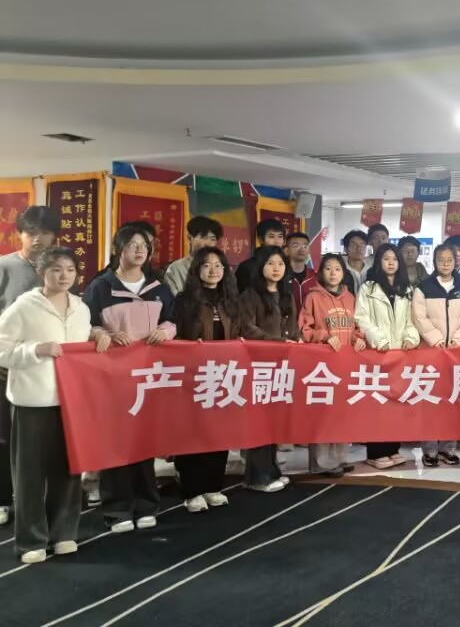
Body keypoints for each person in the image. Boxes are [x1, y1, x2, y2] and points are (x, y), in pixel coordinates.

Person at [0, 248, 109, 563]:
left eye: (70, 269)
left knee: (69, 469)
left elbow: (84, 338)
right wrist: (36, 350)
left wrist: (98, 333)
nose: (64, 276)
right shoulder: (24, 307)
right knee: (30, 474)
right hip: (32, 401)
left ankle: (63, 533)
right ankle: (31, 540)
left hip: (72, 401)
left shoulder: (80, 307)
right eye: (56, 269)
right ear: (41, 272)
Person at [84, 224, 176, 531]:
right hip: (113, 377)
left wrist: (165, 331)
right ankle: (117, 509)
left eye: (145, 246)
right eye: (133, 244)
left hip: (148, 376)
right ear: (118, 250)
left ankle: (147, 504)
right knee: (116, 441)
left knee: (143, 441)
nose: (139, 250)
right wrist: (105, 334)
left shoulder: (158, 287)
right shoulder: (101, 286)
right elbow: (87, 323)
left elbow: (173, 320)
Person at [0, 206, 58, 526]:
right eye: (31, 232)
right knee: (3, 437)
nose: (37, 239)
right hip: (6, 366)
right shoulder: (5, 267)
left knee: (43, 441)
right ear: (19, 234)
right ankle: (2, 498)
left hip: (46, 369)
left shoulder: (58, 269)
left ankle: (40, 500)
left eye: (45, 233)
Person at [173, 247, 239, 512]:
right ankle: (192, 490)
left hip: (224, 373)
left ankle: (213, 486)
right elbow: (177, 334)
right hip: (194, 374)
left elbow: (240, 330)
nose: (213, 270)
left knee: (219, 431)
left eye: (218, 265)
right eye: (207, 265)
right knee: (193, 431)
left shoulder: (230, 300)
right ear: (197, 269)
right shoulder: (185, 300)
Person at [238, 246, 300, 492]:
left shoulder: (286, 295)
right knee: (259, 422)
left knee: (274, 420)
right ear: (260, 267)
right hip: (258, 364)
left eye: (280, 264)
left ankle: (272, 469)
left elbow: (293, 327)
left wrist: (293, 342)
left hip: (282, 365)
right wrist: (278, 343)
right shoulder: (250, 295)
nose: (276, 269)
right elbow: (247, 328)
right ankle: (257, 477)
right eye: (271, 264)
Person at [299, 253, 366, 477]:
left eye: (337, 269)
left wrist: (358, 339)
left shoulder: (350, 298)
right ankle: (321, 463)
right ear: (320, 272)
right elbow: (304, 329)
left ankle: (339, 457)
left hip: (345, 364)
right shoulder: (313, 297)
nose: (333, 273)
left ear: (343, 273)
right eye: (328, 268)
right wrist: (324, 336)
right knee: (322, 413)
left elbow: (357, 326)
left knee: (342, 412)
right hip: (320, 367)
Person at [355, 243, 420, 469]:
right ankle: (376, 453)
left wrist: (411, 338)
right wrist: (378, 339)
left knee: (396, 403)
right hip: (377, 353)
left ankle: (393, 449)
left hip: (400, 355)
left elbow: (412, 320)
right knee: (377, 404)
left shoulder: (407, 289)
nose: (391, 263)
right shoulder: (368, 288)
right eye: (386, 259)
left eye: (394, 259)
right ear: (378, 262)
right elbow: (362, 318)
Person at [412, 244, 460, 467]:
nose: (446, 263)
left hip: (457, 354)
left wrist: (459, 339)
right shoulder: (423, 288)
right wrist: (435, 338)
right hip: (431, 353)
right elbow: (418, 317)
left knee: (453, 402)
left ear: (456, 262)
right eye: (441, 259)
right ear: (435, 261)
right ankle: (429, 450)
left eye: (449, 260)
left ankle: (448, 449)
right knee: (429, 402)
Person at [164, 216, 223, 295]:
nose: (208, 244)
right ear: (189, 238)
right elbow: (174, 299)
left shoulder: (221, 268)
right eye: (203, 237)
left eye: (213, 239)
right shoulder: (176, 269)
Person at [236, 219, 287, 294]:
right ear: (260, 240)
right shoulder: (247, 267)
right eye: (271, 236)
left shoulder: (286, 265)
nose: (277, 241)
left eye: (280, 236)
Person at [285, 231, 317, 315]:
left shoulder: (316, 277)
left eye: (305, 246)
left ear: (309, 250)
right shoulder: (281, 276)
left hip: (310, 322)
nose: (302, 249)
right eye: (296, 246)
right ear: (287, 250)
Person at [342, 229, 369, 293]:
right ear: (345, 249)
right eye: (353, 245)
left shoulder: (372, 269)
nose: (359, 248)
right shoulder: (340, 270)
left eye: (362, 245)